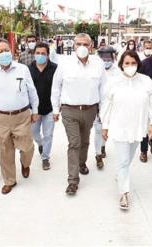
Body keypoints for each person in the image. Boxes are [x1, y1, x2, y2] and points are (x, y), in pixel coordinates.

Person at [0, 38, 39, 194]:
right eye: (1, 51)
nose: (5, 53)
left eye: (7, 50)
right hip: (1, 118)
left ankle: (25, 164)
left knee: (27, 148)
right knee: (4, 151)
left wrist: (35, 111)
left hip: (22, 115)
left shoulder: (22, 69)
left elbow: (32, 91)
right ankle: (9, 180)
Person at [100, 50, 152, 210]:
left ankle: (120, 175)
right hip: (119, 127)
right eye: (127, 63)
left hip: (138, 128)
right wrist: (105, 126)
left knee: (127, 159)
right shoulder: (113, 82)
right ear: (121, 65)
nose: (130, 66)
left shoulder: (145, 81)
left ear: (138, 64)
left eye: (133, 63)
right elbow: (107, 105)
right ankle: (124, 193)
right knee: (124, 161)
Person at [51, 33, 106, 195]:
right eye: (78, 44)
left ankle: (82, 163)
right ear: (73, 46)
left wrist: (103, 112)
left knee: (85, 141)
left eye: (85, 44)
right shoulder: (65, 64)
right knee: (74, 143)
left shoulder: (98, 64)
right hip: (69, 110)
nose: (82, 47)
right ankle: (73, 180)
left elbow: (103, 89)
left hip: (90, 110)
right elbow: (56, 87)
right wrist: (55, 109)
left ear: (91, 46)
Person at [28, 42, 57, 170]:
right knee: (34, 133)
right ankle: (40, 144)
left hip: (50, 109)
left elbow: (59, 89)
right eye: (38, 53)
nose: (40, 56)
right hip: (34, 110)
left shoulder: (55, 68)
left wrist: (57, 108)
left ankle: (45, 157)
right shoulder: (27, 69)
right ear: (34, 54)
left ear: (48, 55)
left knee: (48, 134)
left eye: (43, 53)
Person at [95, 46, 120, 168]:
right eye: (103, 58)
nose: (106, 60)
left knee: (105, 130)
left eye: (108, 58)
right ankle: (98, 155)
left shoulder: (118, 71)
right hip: (96, 105)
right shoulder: (95, 69)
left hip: (110, 107)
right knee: (98, 130)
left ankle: (103, 145)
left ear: (113, 58)